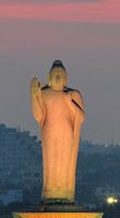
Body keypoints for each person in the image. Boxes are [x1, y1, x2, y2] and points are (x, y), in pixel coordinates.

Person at [31, 60, 85, 204]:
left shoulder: (73, 94)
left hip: (66, 132)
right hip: (50, 131)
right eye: (55, 75)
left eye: (60, 75)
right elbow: (38, 116)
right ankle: (50, 193)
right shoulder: (44, 93)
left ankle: (65, 193)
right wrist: (34, 96)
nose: (58, 78)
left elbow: (81, 117)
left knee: (64, 163)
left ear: (66, 76)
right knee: (51, 163)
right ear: (49, 76)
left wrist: (69, 102)